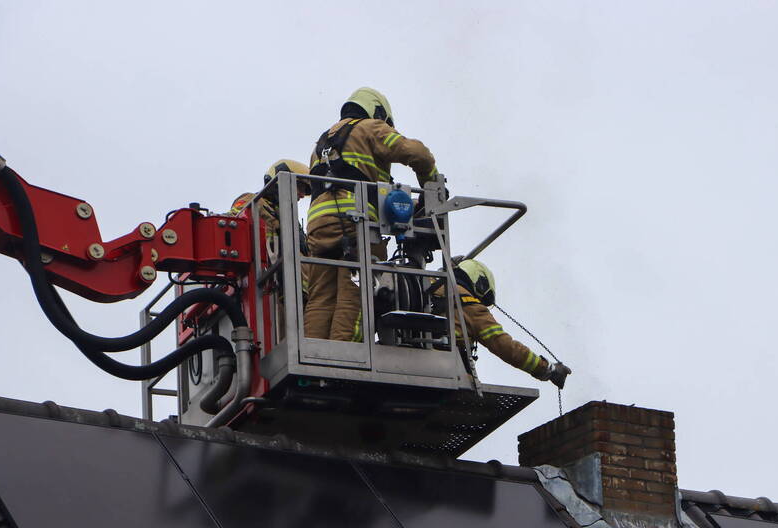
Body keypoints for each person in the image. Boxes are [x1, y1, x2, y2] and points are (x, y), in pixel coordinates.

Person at [304, 87, 439, 342]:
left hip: (319, 226)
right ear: (377, 112)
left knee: (321, 298)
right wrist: (431, 187)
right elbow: (416, 153)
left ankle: (315, 354)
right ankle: (344, 358)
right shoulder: (370, 127)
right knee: (356, 291)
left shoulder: (322, 142)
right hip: (354, 222)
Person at [434, 259, 572, 388]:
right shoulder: (472, 307)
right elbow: (505, 346)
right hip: (440, 368)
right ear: (480, 282)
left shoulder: (428, 282)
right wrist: (548, 369)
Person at [229, 160, 312, 340]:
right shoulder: (252, 201)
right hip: (268, 288)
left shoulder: (291, 220)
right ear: (277, 181)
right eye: (299, 186)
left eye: (305, 191)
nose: (301, 195)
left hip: (296, 294)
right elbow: (235, 221)